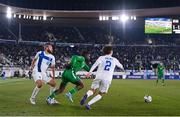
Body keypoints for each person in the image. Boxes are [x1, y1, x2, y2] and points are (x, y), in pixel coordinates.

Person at [80, 45, 124, 110]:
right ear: (111, 51)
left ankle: (86, 95)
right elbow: (121, 66)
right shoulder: (115, 60)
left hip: (98, 76)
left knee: (92, 89)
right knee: (101, 93)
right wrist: (123, 69)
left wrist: (90, 72)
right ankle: (88, 104)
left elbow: (95, 64)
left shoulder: (101, 57)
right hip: (107, 78)